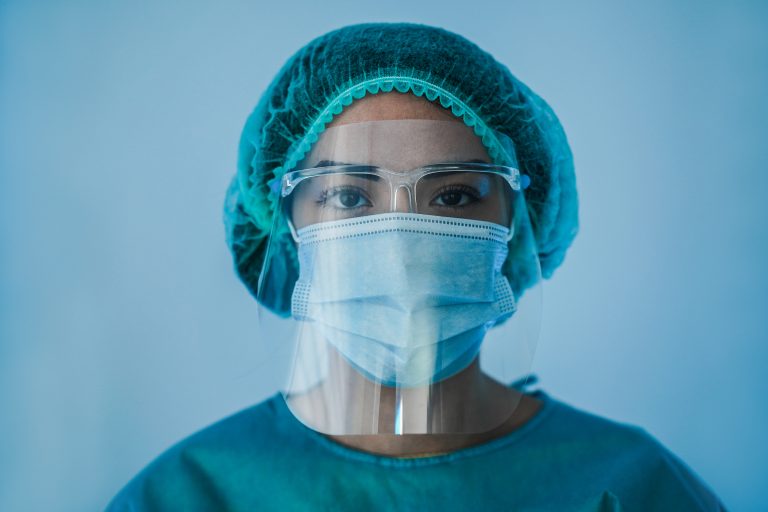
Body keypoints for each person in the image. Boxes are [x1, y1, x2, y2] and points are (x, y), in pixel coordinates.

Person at [107, 23, 726, 511]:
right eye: (349, 196)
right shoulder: (187, 496)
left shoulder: (631, 488)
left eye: (454, 196)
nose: (403, 246)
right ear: (287, 227)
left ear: (517, 226)